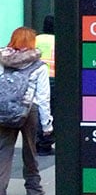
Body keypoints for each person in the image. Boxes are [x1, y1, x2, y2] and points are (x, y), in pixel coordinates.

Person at [0, 27, 53, 195]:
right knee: (30, 150)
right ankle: (33, 187)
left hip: (3, 109)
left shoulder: (2, 60)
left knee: (4, 151)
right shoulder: (38, 66)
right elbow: (43, 97)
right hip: (28, 110)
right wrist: (46, 124)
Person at [36, 15, 55, 155]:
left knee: (38, 110)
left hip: (36, 78)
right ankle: (45, 143)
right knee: (50, 110)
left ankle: (36, 141)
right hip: (53, 80)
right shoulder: (58, 40)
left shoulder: (36, 39)